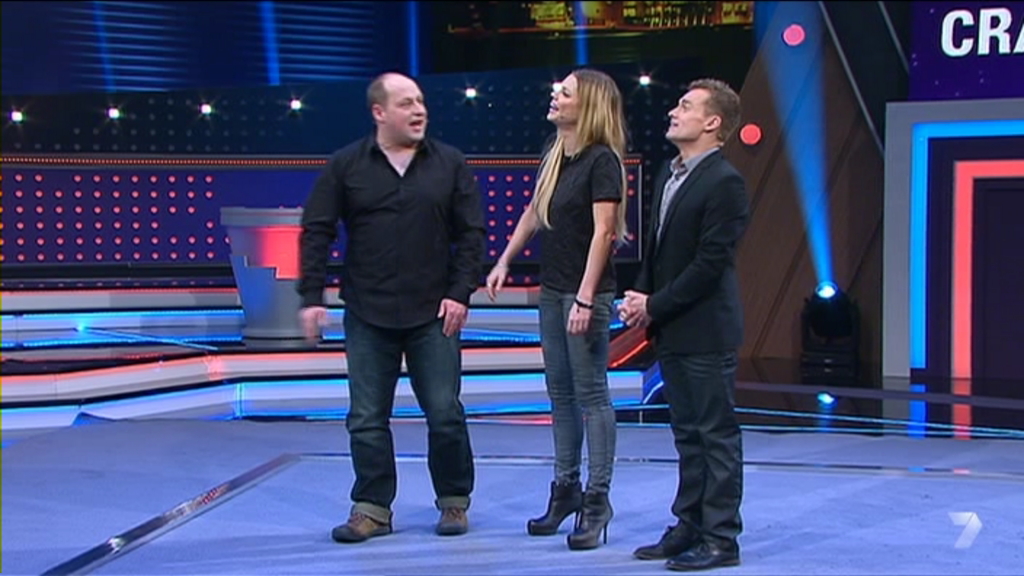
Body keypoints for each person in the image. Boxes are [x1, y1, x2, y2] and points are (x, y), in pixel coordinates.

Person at [297, 71, 486, 543]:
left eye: (421, 101)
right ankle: (372, 509)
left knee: (444, 412)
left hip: (434, 312)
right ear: (379, 112)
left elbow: (471, 235)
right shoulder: (346, 165)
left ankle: (454, 500)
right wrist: (311, 297)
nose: (419, 110)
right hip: (368, 310)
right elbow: (317, 229)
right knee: (365, 418)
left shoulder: (450, 163)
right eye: (406, 103)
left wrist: (460, 293)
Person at [485, 68, 629, 551]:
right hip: (552, 290)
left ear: (586, 107)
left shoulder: (602, 160)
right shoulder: (556, 154)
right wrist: (504, 260)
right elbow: (534, 210)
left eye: (565, 93)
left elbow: (604, 233)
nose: (555, 95)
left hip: (585, 293)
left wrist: (585, 297)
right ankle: (565, 489)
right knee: (560, 394)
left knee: (592, 395)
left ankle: (597, 500)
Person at [618, 78, 748, 571]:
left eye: (686, 105)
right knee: (687, 435)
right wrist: (640, 300)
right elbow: (658, 251)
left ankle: (721, 538)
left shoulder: (725, 182)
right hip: (671, 327)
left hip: (705, 329)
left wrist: (655, 304)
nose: (674, 111)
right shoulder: (670, 174)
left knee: (715, 436)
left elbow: (709, 265)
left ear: (712, 123)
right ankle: (688, 525)